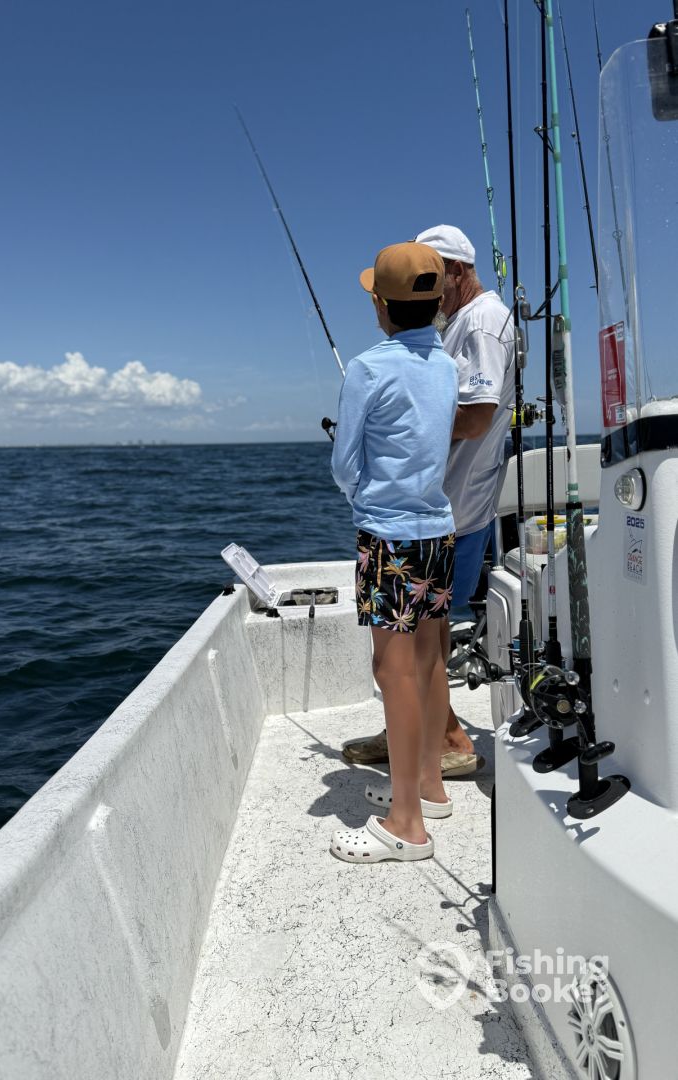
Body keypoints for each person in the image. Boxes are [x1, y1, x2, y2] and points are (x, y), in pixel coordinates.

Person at [342, 225, 515, 774]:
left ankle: (443, 744)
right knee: (428, 637)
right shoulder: (448, 338)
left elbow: (476, 417)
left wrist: (395, 431)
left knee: (413, 648)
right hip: (440, 509)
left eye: (434, 273)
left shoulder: (482, 322)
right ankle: (419, 737)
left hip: (453, 504)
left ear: (455, 273)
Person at [328, 241, 458, 864]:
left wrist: (363, 496)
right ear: (436, 303)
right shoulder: (448, 366)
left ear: (380, 304)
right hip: (438, 530)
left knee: (394, 670)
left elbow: (344, 465)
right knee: (430, 659)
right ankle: (430, 785)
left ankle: (407, 824)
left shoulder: (367, 368)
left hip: (390, 538)